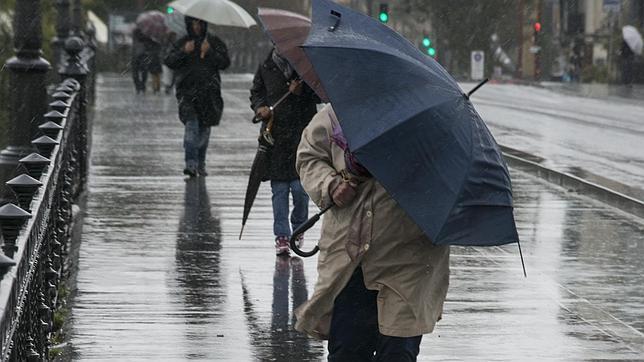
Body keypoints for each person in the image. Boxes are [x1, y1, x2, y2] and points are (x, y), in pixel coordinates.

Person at [294, 105, 450, 361]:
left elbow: (451, 178)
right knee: (348, 352)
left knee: (398, 353)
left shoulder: (433, 120)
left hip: (410, 261)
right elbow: (309, 157)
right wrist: (331, 185)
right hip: (349, 261)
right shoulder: (338, 112)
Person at [250, 48, 320, 255]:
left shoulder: (306, 68)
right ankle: (281, 235)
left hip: (302, 137)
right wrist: (260, 107)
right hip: (276, 137)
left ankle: (299, 228)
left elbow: (319, 94)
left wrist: (302, 92)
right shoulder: (266, 66)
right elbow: (256, 92)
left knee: (300, 189)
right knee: (279, 190)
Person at [164, 16, 230, 177]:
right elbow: (169, 61)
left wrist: (210, 53)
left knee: (204, 132)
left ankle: (200, 163)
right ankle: (191, 163)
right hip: (187, 94)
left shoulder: (213, 42)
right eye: (194, 23)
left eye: (200, 23)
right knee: (191, 128)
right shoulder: (183, 42)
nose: (197, 27)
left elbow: (225, 63)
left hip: (209, 94)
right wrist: (183, 52)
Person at [131, 28, 149, 94]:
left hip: (138, 58)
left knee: (136, 74)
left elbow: (133, 50)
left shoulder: (136, 39)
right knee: (143, 73)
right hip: (141, 58)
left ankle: (139, 86)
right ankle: (141, 86)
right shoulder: (144, 38)